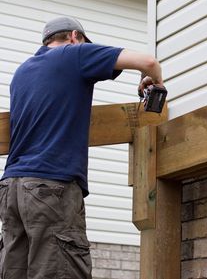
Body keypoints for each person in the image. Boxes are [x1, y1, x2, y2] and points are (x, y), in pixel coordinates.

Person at [0, 16, 163, 279]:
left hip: (11, 190)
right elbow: (148, 62)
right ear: (75, 37)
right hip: (50, 187)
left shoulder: (22, 71)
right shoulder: (74, 54)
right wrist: (153, 80)